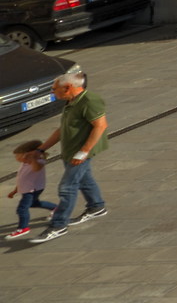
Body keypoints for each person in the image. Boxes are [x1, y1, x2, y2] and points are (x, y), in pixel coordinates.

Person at [32, 67, 106, 243]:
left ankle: (58, 225)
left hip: (80, 153)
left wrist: (83, 152)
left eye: (54, 89)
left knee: (67, 188)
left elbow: (100, 126)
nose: (52, 91)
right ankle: (96, 206)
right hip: (70, 151)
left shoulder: (90, 101)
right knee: (84, 180)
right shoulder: (70, 102)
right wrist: (41, 149)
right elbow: (62, 129)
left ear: (68, 88)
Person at [9, 139, 53, 239]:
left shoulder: (38, 162)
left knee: (22, 209)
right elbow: (22, 178)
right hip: (27, 189)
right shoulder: (24, 164)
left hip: (32, 190)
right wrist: (15, 190)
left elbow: (37, 168)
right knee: (34, 203)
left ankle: (23, 228)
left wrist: (33, 157)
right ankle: (55, 208)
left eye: (18, 156)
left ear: (27, 155)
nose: (16, 158)